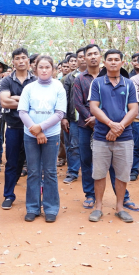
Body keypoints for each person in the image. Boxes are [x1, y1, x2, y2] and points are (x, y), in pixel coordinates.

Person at [73, 44, 136, 212]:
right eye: (89, 54)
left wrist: (115, 126)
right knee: (89, 163)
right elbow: (80, 103)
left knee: (119, 167)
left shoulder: (125, 82)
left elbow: (132, 108)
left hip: (118, 130)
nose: (93, 56)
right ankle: (91, 196)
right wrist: (95, 119)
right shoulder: (82, 79)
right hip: (88, 126)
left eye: (96, 53)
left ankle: (122, 200)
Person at [88, 49, 139, 224]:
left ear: (122, 63)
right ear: (105, 63)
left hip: (125, 137)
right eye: (110, 59)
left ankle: (120, 208)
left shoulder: (129, 84)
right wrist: (111, 124)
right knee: (99, 173)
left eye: (117, 59)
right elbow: (94, 107)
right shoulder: (97, 83)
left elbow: (134, 109)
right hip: (101, 136)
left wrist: (119, 127)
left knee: (122, 174)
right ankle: (98, 207)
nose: (113, 62)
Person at [18, 55, 66, 222]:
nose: (44, 70)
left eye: (47, 67)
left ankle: (51, 208)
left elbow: (59, 113)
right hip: (30, 135)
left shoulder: (58, 87)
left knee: (50, 171)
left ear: (53, 69)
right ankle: (32, 207)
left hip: (51, 135)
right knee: (33, 171)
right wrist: (36, 131)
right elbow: (22, 112)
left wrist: (41, 128)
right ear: (35, 69)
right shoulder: (29, 88)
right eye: (41, 67)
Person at [0, 48, 37, 209]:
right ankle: (9, 195)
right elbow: (4, 102)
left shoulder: (36, 80)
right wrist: (27, 102)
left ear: (28, 60)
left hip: (34, 128)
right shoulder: (6, 81)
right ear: (13, 62)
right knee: (12, 163)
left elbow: (38, 102)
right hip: (14, 127)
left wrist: (15, 98)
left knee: (34, 164)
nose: (21, 61)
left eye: (23, 58)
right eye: (17, 58)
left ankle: (35, 197)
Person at [61, 48, 85, 184]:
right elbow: (65, 98)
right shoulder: (69, 77)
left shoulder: (99, 76)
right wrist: (64, 117)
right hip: (74, 117)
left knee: (93, 145)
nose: (82, 59)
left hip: (94, 118)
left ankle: (91, 171)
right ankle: (73, 172)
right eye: (80, 57)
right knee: (73, 146)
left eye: (84, 56)